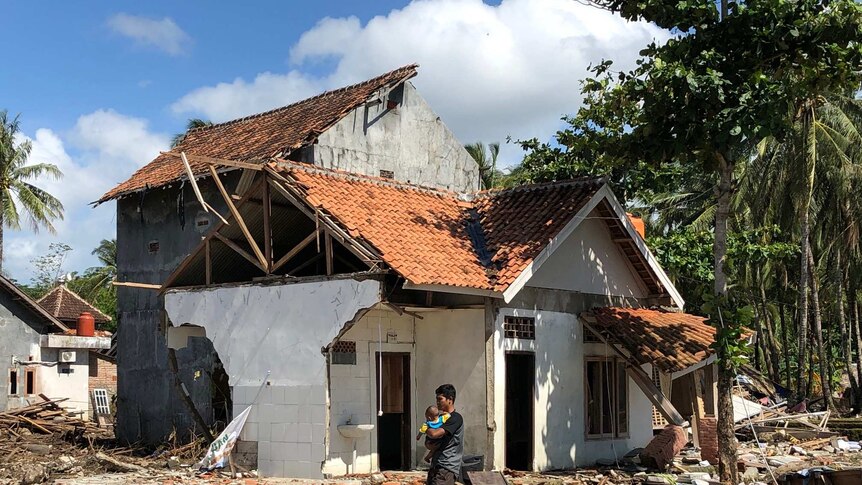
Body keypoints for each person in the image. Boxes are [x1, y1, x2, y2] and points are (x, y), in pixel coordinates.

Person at [424, 384, 464, 485]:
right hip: (435, 466)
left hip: (446, 469)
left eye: (440, 399)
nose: (437, 402)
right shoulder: (439, 419)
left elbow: (434, 434)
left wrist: (426, 428)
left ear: (450, 399)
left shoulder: (455, 418)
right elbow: (429, 442)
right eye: (436, 399)